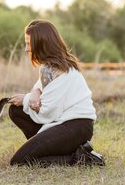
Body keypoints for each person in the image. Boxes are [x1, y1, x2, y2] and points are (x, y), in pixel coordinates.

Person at [8, 19, 105, 167]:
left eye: (29, 43)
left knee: (19, 162)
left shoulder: (56, 69)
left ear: (41, 43)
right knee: (16, 110)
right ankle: (49, 150)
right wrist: (35, 91)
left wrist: (26, 99)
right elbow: (43, 84)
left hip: (76, 126)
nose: (27, 49)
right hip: (68, 123)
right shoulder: (53, 65)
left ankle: (81, 158)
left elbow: (48, 112)